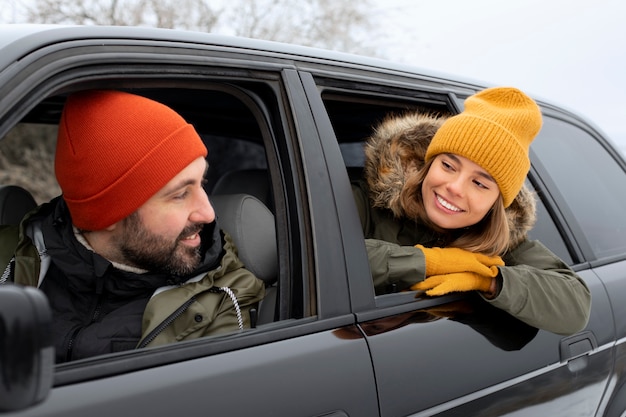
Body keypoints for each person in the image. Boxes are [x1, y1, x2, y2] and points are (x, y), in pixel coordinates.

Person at [0, 90, 265, 363]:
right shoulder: (7, 263)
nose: (208, 213)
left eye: (202, 184)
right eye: (180, 194)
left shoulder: (221, 303)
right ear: (110, 213)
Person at [352, 86, 591, 336]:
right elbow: (318, 258)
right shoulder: (360, 201)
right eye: (448, 165)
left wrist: (488, 280)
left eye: (479, 183)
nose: (454, 187)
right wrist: (434, 262)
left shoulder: (501, 243)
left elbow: (575, 306)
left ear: (496, 202)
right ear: (428, 163)